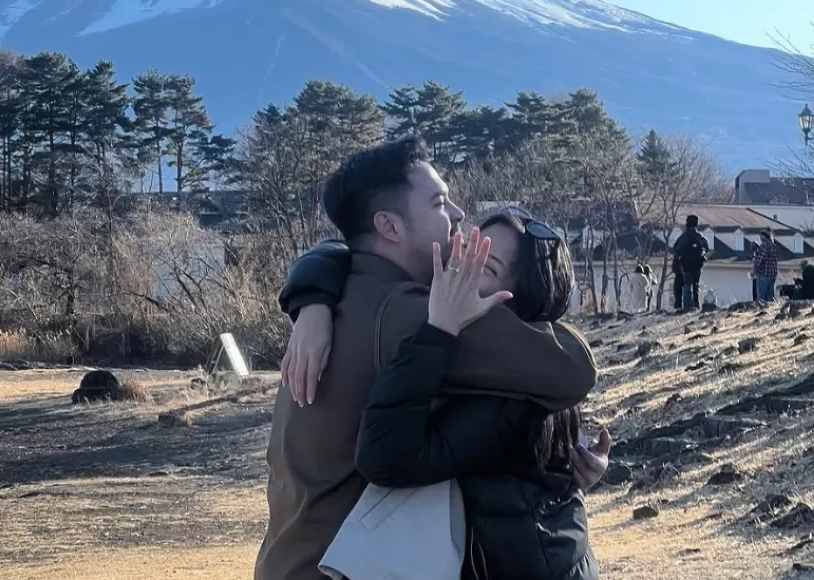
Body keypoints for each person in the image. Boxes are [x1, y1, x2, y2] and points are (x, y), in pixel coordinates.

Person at [254, 137, 602, 580]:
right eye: (439, 202)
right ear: (390, 227)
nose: (458, 215)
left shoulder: (344, 293)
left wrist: (311, 288)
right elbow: (572, 366)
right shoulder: (414, 313)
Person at [351, 209, 598, 579]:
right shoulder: (520, 364)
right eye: (466, 250)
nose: (460, 269)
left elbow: (385, 458)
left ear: (519, 299)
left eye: (486, 265)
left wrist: (439, 331)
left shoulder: (507, 393)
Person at [672, 215, 708, 310]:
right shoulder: (700, 236)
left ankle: (687, 307)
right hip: (697, 265)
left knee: (687, 284)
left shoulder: (684, 237)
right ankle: (696, 305)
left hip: (686, 265)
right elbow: (706, 247)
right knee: (696, 285)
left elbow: (676, 249)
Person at [752, 230, 779, 302]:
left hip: (764, 273)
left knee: (761, 297)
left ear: (764, 236)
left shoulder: (764, 245)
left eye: (761, 235)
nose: (760, 238)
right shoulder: (774, 246)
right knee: (770, 296)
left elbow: (760, 259)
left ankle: (762, 310)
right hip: (772, 274)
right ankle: (772, 310)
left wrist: (754, 271)